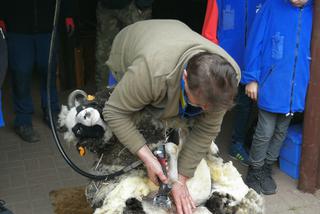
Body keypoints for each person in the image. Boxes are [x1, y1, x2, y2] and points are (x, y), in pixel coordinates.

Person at [103, 20, 240, 214]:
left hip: (172, 41)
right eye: (201, 104)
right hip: (132, 48)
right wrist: (147, 158)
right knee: (124, 132)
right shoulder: (150, 72)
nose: (206, 110)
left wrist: (180, 180)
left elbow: (207, 129)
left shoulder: (227, 78)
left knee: (177, 117)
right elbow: (114, 112)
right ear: (185, 77)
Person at [242, 0, 313, 194]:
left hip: (295, 85)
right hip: (271, 82)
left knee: (281, 131)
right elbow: (255, 42)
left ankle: (266, 168)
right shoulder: (271, 6)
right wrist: (251, 78)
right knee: (265, 130)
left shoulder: (314, 11)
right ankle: (254, 170)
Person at [0, 0, 75, 142]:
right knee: (21, 72)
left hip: (47, 26)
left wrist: (68, 15)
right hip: (17, 27)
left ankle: (51, 112)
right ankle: (23, 121)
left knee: (48, 70)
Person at [202, 0, 267, 165]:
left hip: (250, 62)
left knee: (245, 105)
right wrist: (213, 62)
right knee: (215, 103)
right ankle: (203, 144)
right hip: (224, 63)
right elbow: (209, 32)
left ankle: (236, 144)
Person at [95, 0, 154, 90]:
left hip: (134, 6)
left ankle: (140, 93)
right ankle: (104, 94)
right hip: (106, 6)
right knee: (104, 53)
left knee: (139, 50)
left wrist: (143, 4)